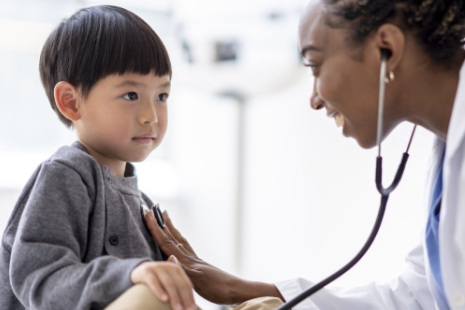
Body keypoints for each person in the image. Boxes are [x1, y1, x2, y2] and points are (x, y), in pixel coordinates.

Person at [145, 0, 465, 309]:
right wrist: (236, 289)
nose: (314, 99)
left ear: (386, 49)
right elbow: (416, 297)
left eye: (315, 64)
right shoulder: (448, 149)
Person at [0, 5, 197, 310]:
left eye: (162, 96)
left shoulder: (141, 201)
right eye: (131, 95)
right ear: (71, 102)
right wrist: (130, 275)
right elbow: (40, 278)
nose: (151, 117)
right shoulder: (65, 175)